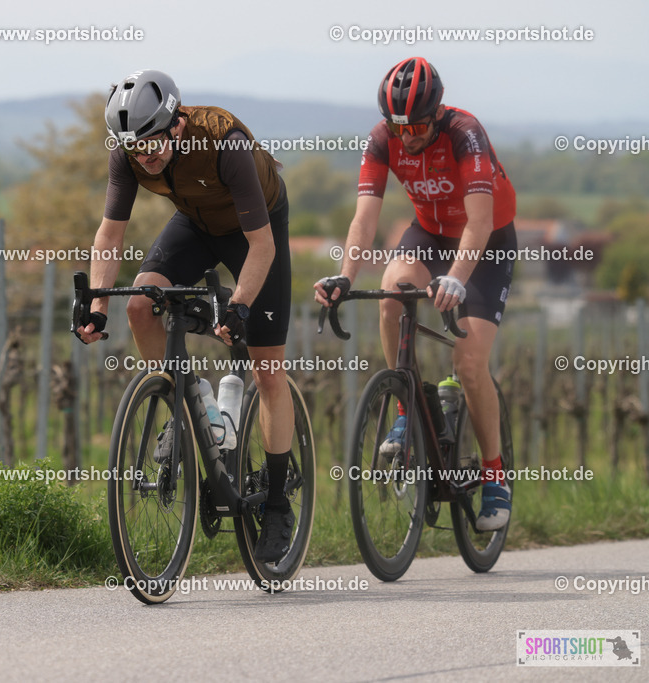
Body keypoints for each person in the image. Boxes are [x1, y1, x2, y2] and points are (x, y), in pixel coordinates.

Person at [75, 69, 295, 561]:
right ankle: (183, 405)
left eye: (152, 143)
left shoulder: (225, 144)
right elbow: (109, 237)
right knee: (140, 306)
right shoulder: (130, 152)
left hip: (255, 231)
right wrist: (95, 306)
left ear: (175, 124)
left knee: (268, 367)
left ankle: (279, 503)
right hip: (195, 224)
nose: (144, 157)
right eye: (134, 149)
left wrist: (238, 306)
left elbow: (262, 246)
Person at [314, 57, 516, 531]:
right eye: (398, 127)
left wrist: (458, 277)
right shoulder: (383, 139)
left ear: (437, 113)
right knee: (390, 297)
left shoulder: (465, 133)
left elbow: (481, 222)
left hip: (484, 242)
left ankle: (494, 475)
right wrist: (344, 275)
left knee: (468, 362)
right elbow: (364, 218)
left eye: (418, 126)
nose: (407, 137)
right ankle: (409, 407)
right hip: (428, 233)